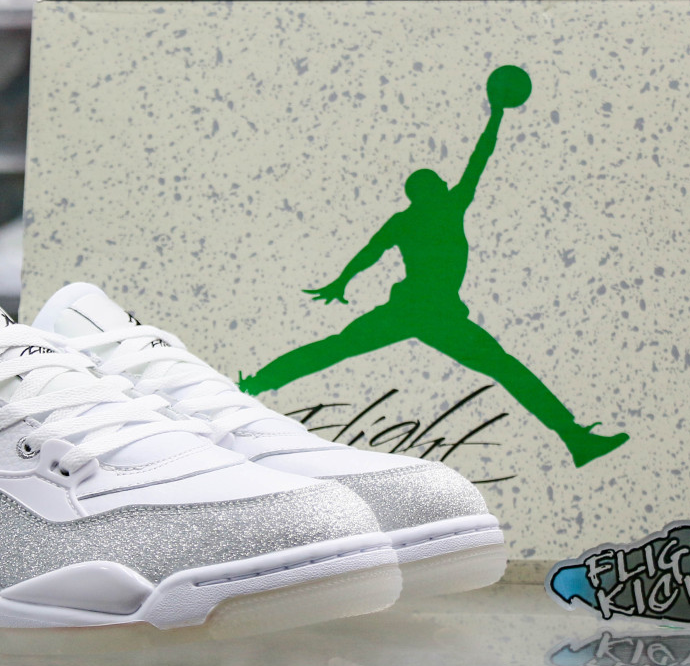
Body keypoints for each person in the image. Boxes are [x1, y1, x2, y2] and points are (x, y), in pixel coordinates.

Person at [240, 66, 629, 467]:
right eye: (439, 183)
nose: (445, 184)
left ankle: (254, 385)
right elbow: (480, 158)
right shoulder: (447, 208)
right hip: (433, 313)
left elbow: (370, 252)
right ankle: (573, 437)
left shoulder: (409, 218)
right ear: (430, 190)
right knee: (506, 369)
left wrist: (342, 281)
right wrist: (496, 114)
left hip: (419, 311)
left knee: (336, 347)